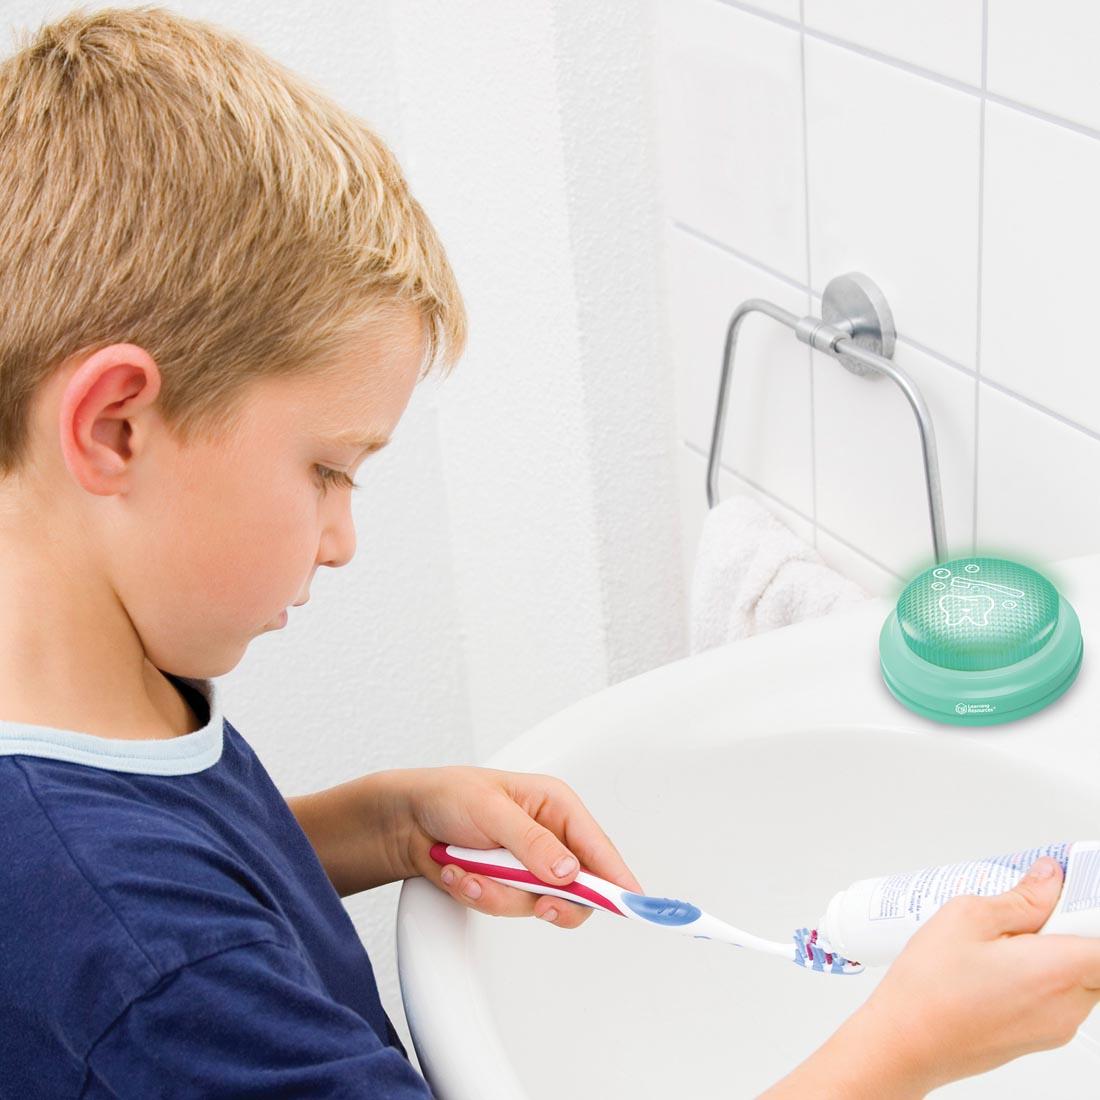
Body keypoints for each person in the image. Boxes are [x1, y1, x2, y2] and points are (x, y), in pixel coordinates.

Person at [0, 6, 1096, 1097]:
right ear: (114, 426)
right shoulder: (155, 971)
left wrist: (380, 821)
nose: (340, 539)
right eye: (328, 469)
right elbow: (155, 934)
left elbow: (186, 856)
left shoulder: (104, 678)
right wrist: (905, 1046)